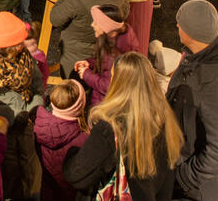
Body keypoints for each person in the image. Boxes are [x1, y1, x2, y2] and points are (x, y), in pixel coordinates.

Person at [64, 52, 184, 200]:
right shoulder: (165, 119)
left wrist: (73, 152)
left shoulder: (111, 126)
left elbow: (77, 175)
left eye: (113, 76)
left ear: (119, 83)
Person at [166, 0, 218, 201]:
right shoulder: (197, 57)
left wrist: (181, 178)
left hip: (196, 191)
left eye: (180, 22)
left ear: (192, 32)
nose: (177, 26)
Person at [0, 11, 47, 200]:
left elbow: (37, 86)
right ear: (7, 46)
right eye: (19, 43)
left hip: (26, 117)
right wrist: (5, 118)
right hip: (1, 122)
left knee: (31, 165)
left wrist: (33, 109)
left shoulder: (24, 56)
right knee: (8, 166)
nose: (24, 46)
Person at [51, 0, 130, 74]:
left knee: (75, 90)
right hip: (106, 55)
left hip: (75, 59)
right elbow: (124, 14)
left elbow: (55, 19)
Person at [33, 80, 89, 201]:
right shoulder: (84, 139)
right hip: (73, 195)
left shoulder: (39, 126)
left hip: (47, 193)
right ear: (80, 106)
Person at [75, 6, 141, 105]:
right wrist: (89, 63)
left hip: (106, 104)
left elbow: (108, 86)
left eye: (96, 23)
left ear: (108, 29)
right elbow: (104, 60)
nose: (92, 25)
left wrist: (86, 74)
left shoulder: (117, 56)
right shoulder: (115, 38)